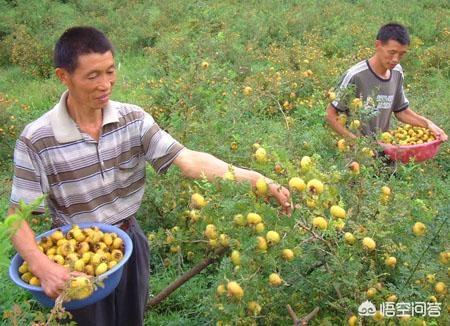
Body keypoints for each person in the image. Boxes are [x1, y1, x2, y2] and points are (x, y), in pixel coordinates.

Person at [7, 26, 291, 326]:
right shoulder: (37, 139)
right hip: (74, 260)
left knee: (133, 318)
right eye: (93, 76)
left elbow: (190, 162)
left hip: (128, 242)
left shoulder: (133, 120)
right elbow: (16, 218)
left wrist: (259, 180)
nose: (105, 84)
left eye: (110, 71)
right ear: (63, 76)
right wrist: (42, 266)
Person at [325, 23, 447, 141]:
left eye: (401, 54)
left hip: (385, 149)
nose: (396, 60)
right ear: (378, 45)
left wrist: (428, 124)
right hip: (357, 156)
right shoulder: (355, 75)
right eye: (392, 52)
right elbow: (330, 114)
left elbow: (402, 111)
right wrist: (355, 143)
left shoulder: (397, 72)